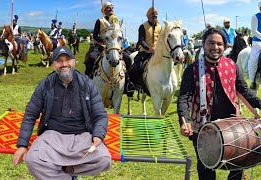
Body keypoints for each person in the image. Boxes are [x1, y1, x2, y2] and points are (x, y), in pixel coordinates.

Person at [177, 28, 261, 180]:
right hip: (202, 126)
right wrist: (184, 121)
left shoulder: (232, 65)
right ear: (203, 44)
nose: (215, 47)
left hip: (232, 124)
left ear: (224, 46)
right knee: (206, 168)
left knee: (238, 164)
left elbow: (244, 91)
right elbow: (184, 98)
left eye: (219, 44)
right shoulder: (192, 69)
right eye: (211, 43)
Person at [12, 46, 111, 179]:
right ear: (53, 64)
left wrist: (98, 135)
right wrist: (22, 145)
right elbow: (30, 115)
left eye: (67, 60)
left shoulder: (87, 84)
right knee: (33, 159)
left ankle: (66, 168)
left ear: (74, 61)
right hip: (52, 136)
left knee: (104, 159)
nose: (64, 64)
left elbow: (100, 114)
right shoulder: (45, 85)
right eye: (59, 61)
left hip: (81, 135)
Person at [132, 7, 162, 85]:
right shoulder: (143, 26)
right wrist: (149, 49)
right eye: (153, 16)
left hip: (157, 52)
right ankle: (136, 83)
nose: (155, 18)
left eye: (156, 16)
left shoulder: (160, 27)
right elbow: (141, 41)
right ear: (148, 16)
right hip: (145, 52)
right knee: (138, 66)